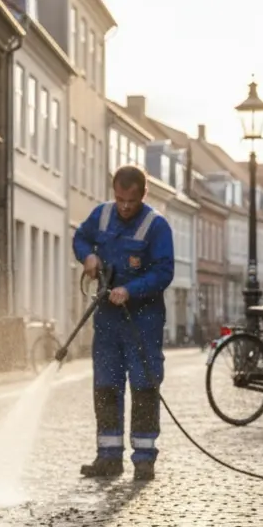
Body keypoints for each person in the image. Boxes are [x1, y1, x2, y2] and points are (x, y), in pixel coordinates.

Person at [73, 166, 175, 482]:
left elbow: (163, 271)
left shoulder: (156, 226)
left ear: (143, 194)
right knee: (106, 386)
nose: (125, 206)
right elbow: (81, 238)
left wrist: (130, 290)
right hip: (107, 319)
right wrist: (87, 257)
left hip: (142, 321)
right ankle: (108, 457)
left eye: (131, 200)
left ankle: (144, 459)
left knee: (144, 386)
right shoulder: (102, 216)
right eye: (119, 199)